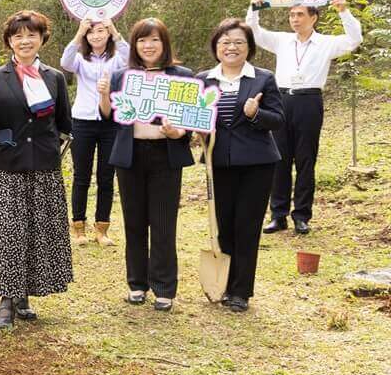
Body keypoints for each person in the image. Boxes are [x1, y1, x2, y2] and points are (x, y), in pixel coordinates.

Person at [0, 10, 73, 329]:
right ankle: (5, 300)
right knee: (6, 235)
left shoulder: (54, 77)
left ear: (42, 38)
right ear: (9, 42)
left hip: (43, 167)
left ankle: (24, 293)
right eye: (18, 36)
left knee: (36, 232)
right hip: (6, 167)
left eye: (32, 34)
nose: (25, 40)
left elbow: (64, 124)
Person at [248, 0, 362, 235]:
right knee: (279, 159)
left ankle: (301, 215)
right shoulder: (282, 41)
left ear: (314, 18)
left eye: (300, 14)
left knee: (305, 160)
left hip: (308, 102)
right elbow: (255, 33)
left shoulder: (327, 43)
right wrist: (254, 8)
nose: (295, 19)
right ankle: (278, 215)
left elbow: (354, 39)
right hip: (280, 100)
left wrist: (344, 11)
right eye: (291, 15)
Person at [100, 18, 193, 312]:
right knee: (134, 222)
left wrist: (176, 132)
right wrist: (104, 95)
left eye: (154, 40)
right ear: (134, 45)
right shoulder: (121, 76)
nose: (148, 46)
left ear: (164, 43)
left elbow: (188, 123)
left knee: (164, 223)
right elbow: (109, 116)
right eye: (141, 40)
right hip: (130, 156)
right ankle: (137, 284)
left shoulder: (181, 75)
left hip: (165, 155)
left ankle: (164, 288)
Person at [198, 18, 284, 313]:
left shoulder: (263, 79)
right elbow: (194, 119)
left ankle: (240, 291)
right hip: (218, 162)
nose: (231, 47)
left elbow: (278, 119)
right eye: (225, 42)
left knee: (247, 226)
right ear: (216, 47)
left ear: (248, 48)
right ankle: (222, 283)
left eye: (238, 42)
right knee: (223, 225)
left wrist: (255, 113)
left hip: (257, 164)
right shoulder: (203, 79)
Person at [60, 17, 127, 246]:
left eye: (101, 31)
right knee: (81, 176)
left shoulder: (117, 57)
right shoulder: (80, 58)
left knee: (106, 176)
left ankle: (102, 229)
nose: (96, 36)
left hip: (110, 120)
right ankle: (78, 228)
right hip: (83, 120)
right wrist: (79, 33)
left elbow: (131, 60)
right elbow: (65, 61)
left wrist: (115, 31)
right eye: (92, 32)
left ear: (107, 34)